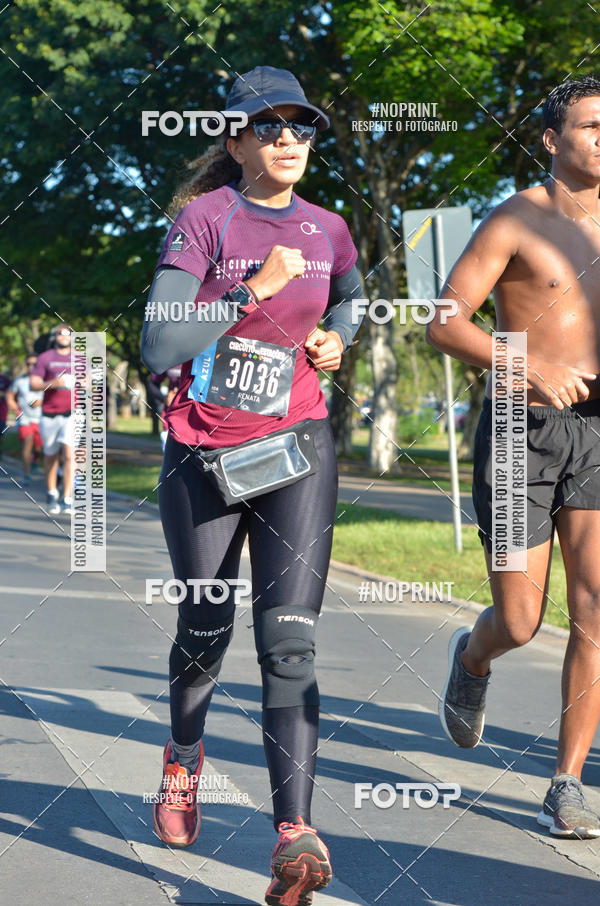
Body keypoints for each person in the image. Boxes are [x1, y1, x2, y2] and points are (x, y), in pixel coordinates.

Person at [141, 65, 363, 904]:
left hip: (296, 445)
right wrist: (249, 292)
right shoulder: (203, 220)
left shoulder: (328, 227)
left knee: (291, 639)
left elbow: (349, 296)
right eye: (267, 127)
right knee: (205, 629)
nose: (286, 140)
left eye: (300, 127)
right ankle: (184, 755)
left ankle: (293, 832)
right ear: (234, 140)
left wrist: (339, 340)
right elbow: (160, 345)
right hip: (204, 453)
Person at [427, 76, 600, 839]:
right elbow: (444, 322)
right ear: (551, 140)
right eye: (592, 126)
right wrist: (526, 365)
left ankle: (566, 782)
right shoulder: (515, 219)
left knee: (596, 610)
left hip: (597, 431)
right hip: (517, 428)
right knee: (524, 620)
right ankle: (473, 656)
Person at [30, 324, 74, 515]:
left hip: (72, 413)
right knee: (51, 456)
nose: (64, 336)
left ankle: (67, 498)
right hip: (49, 414)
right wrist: (52, 384)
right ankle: (51, 492)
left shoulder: (79, 358)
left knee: (69, 454)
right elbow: (34, 384)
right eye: (60, 333)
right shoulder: (45, 358)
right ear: (54, 336)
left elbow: (91, 381)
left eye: (68, 333)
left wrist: (81, 383)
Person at [6, 354, 43, 483]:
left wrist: (41, 402)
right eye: (28, 364)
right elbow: (10, 394)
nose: (31, 367)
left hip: (41, 419)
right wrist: (11, 403)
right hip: (25, 418)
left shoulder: (44, 380)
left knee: (39, 447)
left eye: (34, 364)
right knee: (27, 444)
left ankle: (35, 461)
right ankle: (26, 474)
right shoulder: (19, 381)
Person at [0, 369, 11, 459]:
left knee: (1, 434)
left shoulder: (5, 380)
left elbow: (12, 394)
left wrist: (3, 394)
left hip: (2, 413)